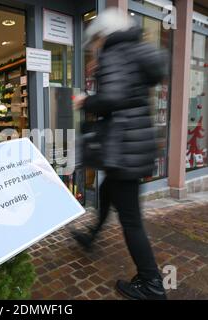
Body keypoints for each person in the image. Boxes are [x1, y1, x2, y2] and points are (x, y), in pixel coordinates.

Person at [73, 8, 168, 300]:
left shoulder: (115, 53)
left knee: (131, 221)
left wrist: (85, 100)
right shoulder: (136, 51)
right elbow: (128, 94)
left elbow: (112, 98)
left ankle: (152, 284)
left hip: (124, 149)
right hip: (134, 145)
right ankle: (91, 236)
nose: (97, 45)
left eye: (97, 39)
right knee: (108, 191)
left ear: (105, 35)